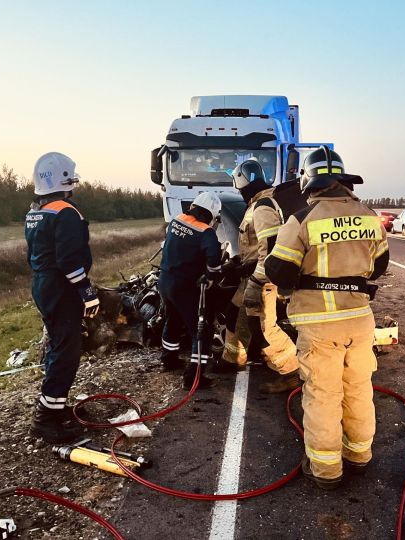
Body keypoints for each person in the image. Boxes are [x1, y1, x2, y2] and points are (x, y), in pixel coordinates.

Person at [264, 147, 389, 490]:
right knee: (359, 389)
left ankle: (326, 470)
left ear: (309, 181)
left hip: (319, 324)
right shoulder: (368, 215)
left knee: (322, 395)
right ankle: (360, 456)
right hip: (361, 321)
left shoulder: (303, 219)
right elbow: (379, 266)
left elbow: (278, 270)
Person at [25, 152, 99, 443]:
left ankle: (55, 406)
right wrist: (87, 292)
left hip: (43, 284)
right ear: (64, 180)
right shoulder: (66, 212)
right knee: (66, 352)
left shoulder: (36, 211)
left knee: (58, 344)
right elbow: (70, 260)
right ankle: (45, 418)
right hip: (60, 287)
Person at [217, 158, 300, 394]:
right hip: (251, 276)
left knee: (264, 327)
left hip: (261, 279)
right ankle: (233, 358)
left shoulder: (263, 207)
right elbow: (254, 247)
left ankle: (291, 371)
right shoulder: (257, 205)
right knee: (235, 315)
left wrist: (254, 280)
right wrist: (236, 264)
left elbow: (272, 251)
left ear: (242, 182)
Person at [158, 192, 223, 390]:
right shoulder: (206, 232)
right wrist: (212, 277)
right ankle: (194, 376)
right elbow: (214, 261)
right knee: (200, 330)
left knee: (173, 320)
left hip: (165, 281)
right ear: (211, 213)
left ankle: (169, 359)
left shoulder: (176, 221)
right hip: (184, 287)